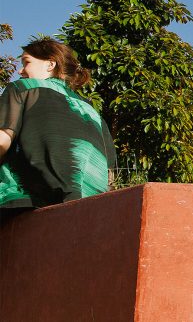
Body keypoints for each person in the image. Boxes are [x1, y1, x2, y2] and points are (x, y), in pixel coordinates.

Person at [0, 37, 116, 211]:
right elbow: (109, 174)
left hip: (28, 200)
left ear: (50, 64)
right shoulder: (90, 109)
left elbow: (2, 140)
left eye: (26, 62)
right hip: (91, 205)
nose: (21, 71)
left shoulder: (23, 88)